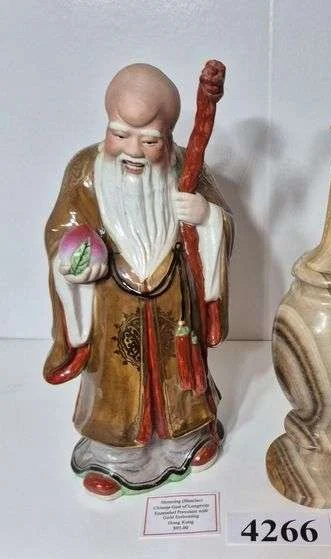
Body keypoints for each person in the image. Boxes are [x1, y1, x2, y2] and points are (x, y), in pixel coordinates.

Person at [43, 63, 233, 500]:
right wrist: (73, 256)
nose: (133, 151)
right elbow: (61, 229)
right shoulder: (85, 170)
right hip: (112, 303)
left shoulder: (187, 167)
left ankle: (187, 439)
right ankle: (115, 456)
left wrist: (207, 218)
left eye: (150, 140)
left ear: (168, 135)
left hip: (174, 298)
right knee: (116, 379)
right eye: (120, 134)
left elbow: (223, 223)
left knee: (180, 375)